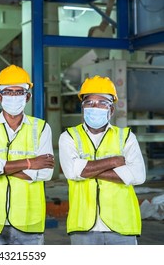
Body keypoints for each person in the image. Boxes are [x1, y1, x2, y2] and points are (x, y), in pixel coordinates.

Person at [58, 75, 146, 245]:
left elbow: (138, 175)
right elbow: (72, 172)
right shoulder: (69, 137)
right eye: (89, 103)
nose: (95, 107)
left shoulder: (126, 137)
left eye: (102, 103)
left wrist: (87, 169)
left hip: (121, 225)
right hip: (83, 227)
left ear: (111, 110)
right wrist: (113, 161)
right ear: (82, 107)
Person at [0, 64, 54, 245]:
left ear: (28, 96)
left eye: (19, 92)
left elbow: (46, 173)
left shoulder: (41, 128)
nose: (14, 97)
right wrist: (30, 163)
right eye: (8, 92)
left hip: (29, 221)